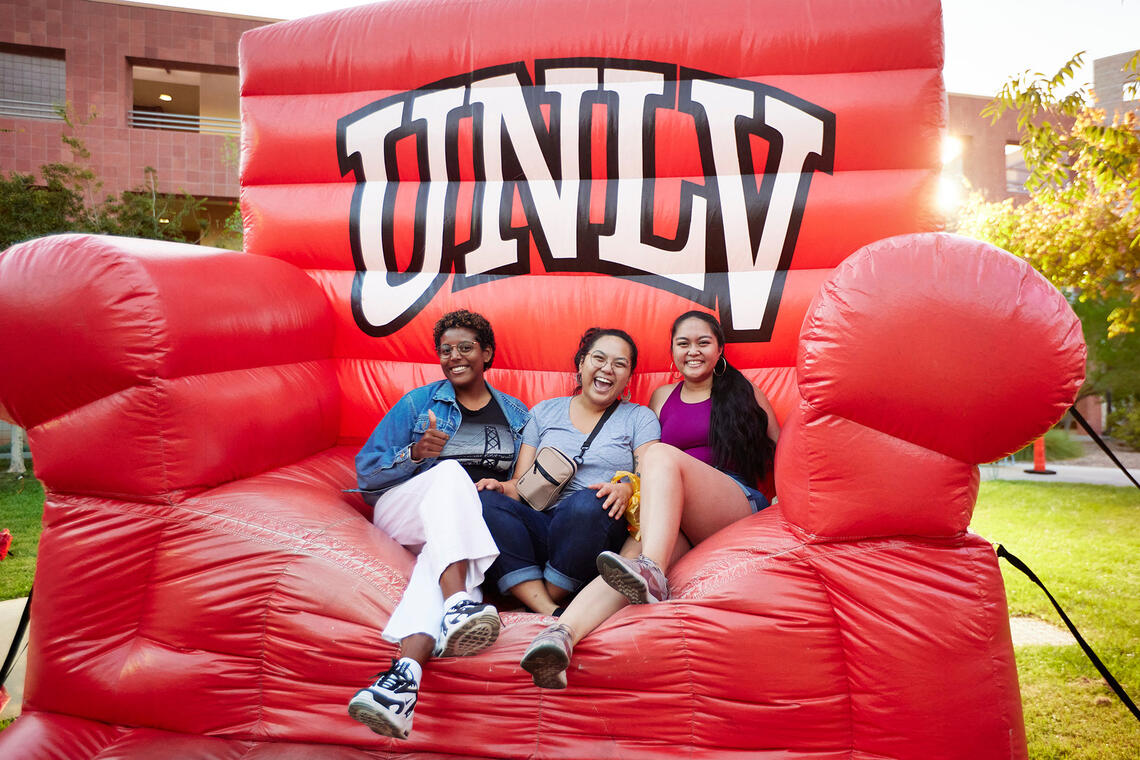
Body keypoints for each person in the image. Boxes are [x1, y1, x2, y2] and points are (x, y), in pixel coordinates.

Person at [519, 310, 779, 688]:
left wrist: (784, 497)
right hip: (675, 509)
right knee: (624, 569)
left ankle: (651, 568)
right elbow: (643, 467)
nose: (693, 351)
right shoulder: (662, 397)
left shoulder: (744, 391)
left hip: (731, 501)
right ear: (672, 351)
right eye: (683, 343)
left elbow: (782, 445)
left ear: (720, 349)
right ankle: (560, 637)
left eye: (703, 343)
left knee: (659, 457)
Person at [347, 309, 530, 739]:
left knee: (447, 557)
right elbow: (366, 473)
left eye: (465, 348)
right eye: (445, 351)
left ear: (487, 354)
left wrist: (505, 487)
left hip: (459, 531)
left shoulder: (517, 414)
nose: (454, 357)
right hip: (406, 509)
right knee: (450, 475)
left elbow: (525, 483)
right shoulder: (419, 403)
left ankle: (400, 682)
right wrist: (415, 455)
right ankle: (456, 607)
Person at [476, 327, 661, 617]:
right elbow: (521, 487)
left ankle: (541, 596)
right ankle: (548, 609)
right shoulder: (544, 412)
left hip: (594, 530)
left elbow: (653, 476)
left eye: (619, 364)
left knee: (589, 501)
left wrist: (626, 489)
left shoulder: (639, 418)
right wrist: (499, 489)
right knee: (485, 500)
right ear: (581, 364)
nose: (607, 369)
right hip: (542, 525)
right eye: (598, 358)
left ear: (628, 378)